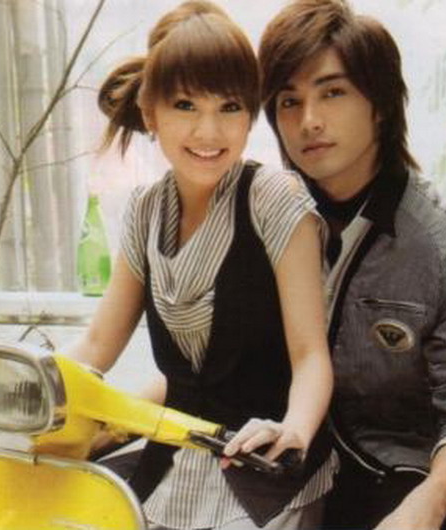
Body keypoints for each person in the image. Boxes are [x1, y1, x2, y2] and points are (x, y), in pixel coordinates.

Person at [70, 2, 336, 529]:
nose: (209, 132)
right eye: (185, 105)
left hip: (264, 468)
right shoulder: (146, 209)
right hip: (174, 460)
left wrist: (295, 431)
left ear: (251, 114)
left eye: (230, 107)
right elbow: (97, 346)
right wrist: (8, 381)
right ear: (151, 113)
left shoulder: (274, 198)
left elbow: (311, 356)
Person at [258, 1, 446, 529]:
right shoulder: (262, 220)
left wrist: (428, 504)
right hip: (274, 483)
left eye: (332, 92)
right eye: (289, 101)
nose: (309, 121)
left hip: (392, 492)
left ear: (381, 104)